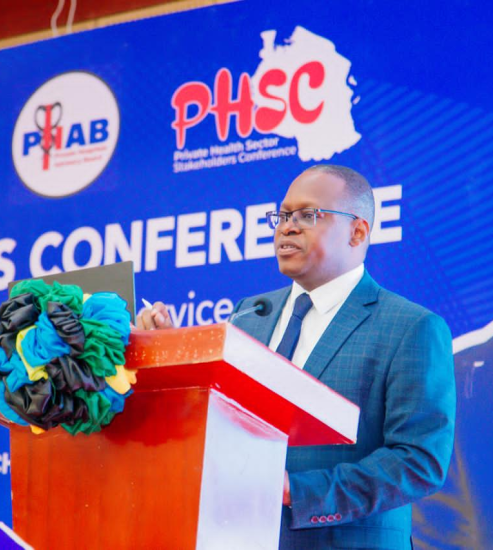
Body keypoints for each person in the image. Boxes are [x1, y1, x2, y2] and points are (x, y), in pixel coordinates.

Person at [137, 165, 456, 550]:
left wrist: (294, 490)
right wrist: (172, 355)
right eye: (283, 216)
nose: (287, 228)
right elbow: (222, 422)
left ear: (357, 232)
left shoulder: (410, 327)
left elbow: (418, 461)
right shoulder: (250, 315)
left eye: (308, 215)